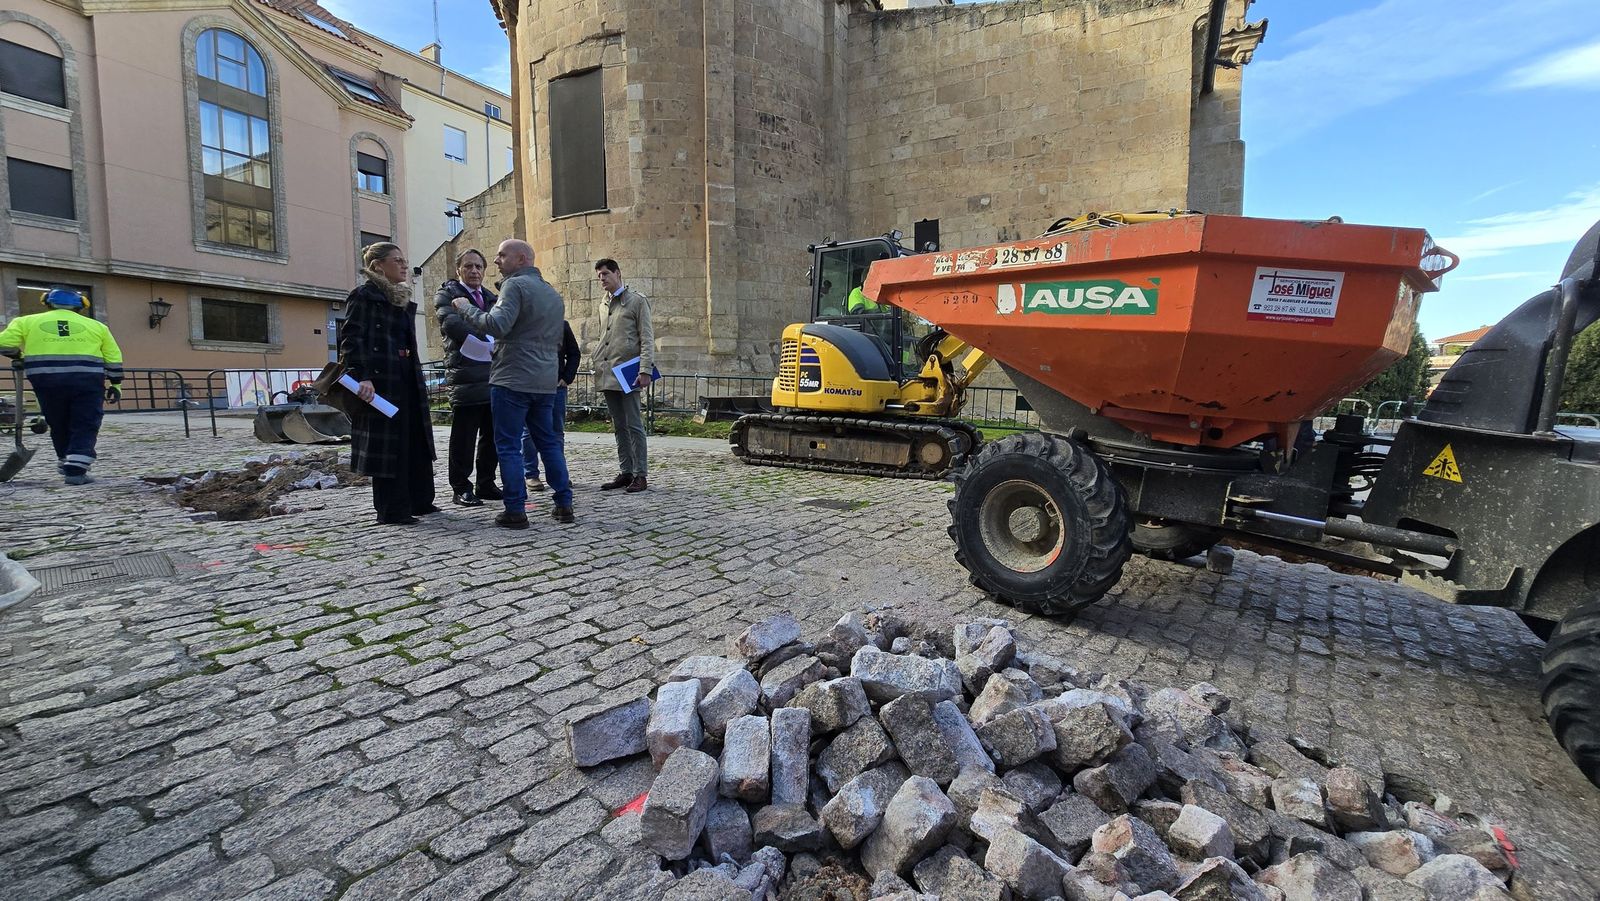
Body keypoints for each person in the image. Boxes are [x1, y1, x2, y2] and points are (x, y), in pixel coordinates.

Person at [452, 239, 574, 528]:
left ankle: (516, 510)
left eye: (501, 255)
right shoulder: (553, 294)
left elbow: (496, 325)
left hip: (513, 379)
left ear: (520, 259)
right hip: (544, 380)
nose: (496, 261)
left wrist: (465, 307)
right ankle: (564, 503)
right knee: (550, 443)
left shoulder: (514, 286)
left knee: (507, 445)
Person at [341, 242, 438, 525]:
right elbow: (351, 338)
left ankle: (420, 500)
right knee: (389, 447)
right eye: (397, 260)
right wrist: (362, 375)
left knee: (413, 438)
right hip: (381, 381)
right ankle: (392, 509)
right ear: (378, 265)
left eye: (404, 260)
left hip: (406, 375)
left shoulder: (401, 298)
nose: (404, 265)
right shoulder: (363, 296)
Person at [0, 287, 122, 485]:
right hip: (87, 381)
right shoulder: (97, 326)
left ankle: (66, 460)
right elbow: (113, 358)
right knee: (86, 421)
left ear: (46, 302)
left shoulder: (26, 321)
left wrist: (18, 356)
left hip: (46, 380)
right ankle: (76, 469)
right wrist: (116, 384)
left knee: (58, 421)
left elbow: (3, 343)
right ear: (81, 306)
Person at [435, 248, 504, 507]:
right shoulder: (447, 294)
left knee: (492, 435)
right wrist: (486, 341)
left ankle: (486, 482)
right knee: (464, 437)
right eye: (469, 266)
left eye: (478, 267)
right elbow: (453, 325)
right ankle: (460, 487)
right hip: (465, 375)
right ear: (458, 270)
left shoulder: (491, 297)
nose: (474, 271)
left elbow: (500, 324)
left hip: (493, 376)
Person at [592, 257, 655, 493]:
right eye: (599, 276)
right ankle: (626, 471)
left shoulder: (637, 301)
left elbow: (647, 338)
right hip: (607, 372)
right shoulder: (603, 304)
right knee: (619, 425)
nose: (602, 279)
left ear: (618, 273)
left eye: (606, 274)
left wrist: (645, 370)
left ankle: (640, 474)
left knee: (634, 425)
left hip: (629, 372)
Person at [523, 320, 580, 492]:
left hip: (555, 386)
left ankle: (558, 473)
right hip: (529, 386)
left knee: (556, 431)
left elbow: (574, 353)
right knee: (528, 433)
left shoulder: (561, 325)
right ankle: (531, 474)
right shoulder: (523, 323)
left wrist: (566, 377)